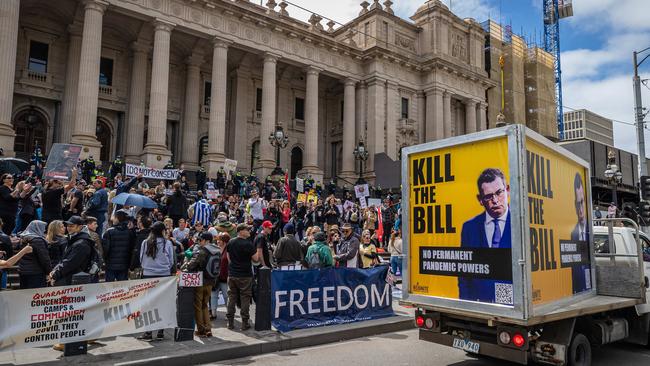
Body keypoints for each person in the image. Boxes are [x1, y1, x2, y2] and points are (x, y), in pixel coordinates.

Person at [459, 168, 512, 304]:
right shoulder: (469, 227)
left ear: (507, 190)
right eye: (488, 196)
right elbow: (464, 272)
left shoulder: (521, 222)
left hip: (513, 306)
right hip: (479, 305)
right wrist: (466, 306)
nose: (495, 200)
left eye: (499, 193)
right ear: (480, 199)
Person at [137, 221, 174, 341]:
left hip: (148, 276)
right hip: (164, 276)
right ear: (163, 231)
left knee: (148, 304)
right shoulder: (167, 243)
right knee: (162, 303)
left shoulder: (145, 243)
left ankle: (148, 332)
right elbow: (171, 260)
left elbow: (141, 259)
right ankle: (160, 331)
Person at [181, 232, 221, 337]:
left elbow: (193, 265)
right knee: (205, 305)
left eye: (201, 240)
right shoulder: (217, 250)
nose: (200, 242)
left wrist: (187, 264)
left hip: (200, 280)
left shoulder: (203, 251)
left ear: (206, 240)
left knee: (198, 306)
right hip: (211, 281)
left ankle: (201, 330)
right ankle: (208, 329)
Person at [226, 223, 260, 331]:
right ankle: (245, 323)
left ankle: (230, 322)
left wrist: (234, 266)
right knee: (245, 298)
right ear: (241, 231)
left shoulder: (231, 242)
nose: (249, 232)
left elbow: (228, 258)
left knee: (232, 298)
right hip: (245, 275)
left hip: (232, 274)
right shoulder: (248, 244)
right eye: (247, 230)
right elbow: (255, 259)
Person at [570, 173, 590, 294]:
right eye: (578, 204)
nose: (581, 210)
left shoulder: (591, 232)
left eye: (582, 202)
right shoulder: (573, 234)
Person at [102, 210, 136, 282]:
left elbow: (105, 249)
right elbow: (131, 248)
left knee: (108, 287)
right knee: (122, 287)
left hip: (111, 264)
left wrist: (105, 260)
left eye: (114, 217)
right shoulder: (130, 232)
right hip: (124, 264)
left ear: (117, 218)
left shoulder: (109, 231)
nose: (112, 219)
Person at [18, 221, 51, 289]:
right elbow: (44, 259)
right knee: (35, 296)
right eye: (43, 228)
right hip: (36, 273)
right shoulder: (38, 240)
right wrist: (49, 272)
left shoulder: (23, 238)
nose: (44, 230)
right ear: (38, 228)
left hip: (23, 271)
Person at [210, 232, 230, 319]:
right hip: (215, 277)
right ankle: (213, 313)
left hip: (225, 277)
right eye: (217, 240)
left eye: (220, 240)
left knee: (226, 296)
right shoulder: (215, 249)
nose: (218, 241)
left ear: (224, 241)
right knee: (213, 295)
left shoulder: (229, 250)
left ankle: (229, 313)